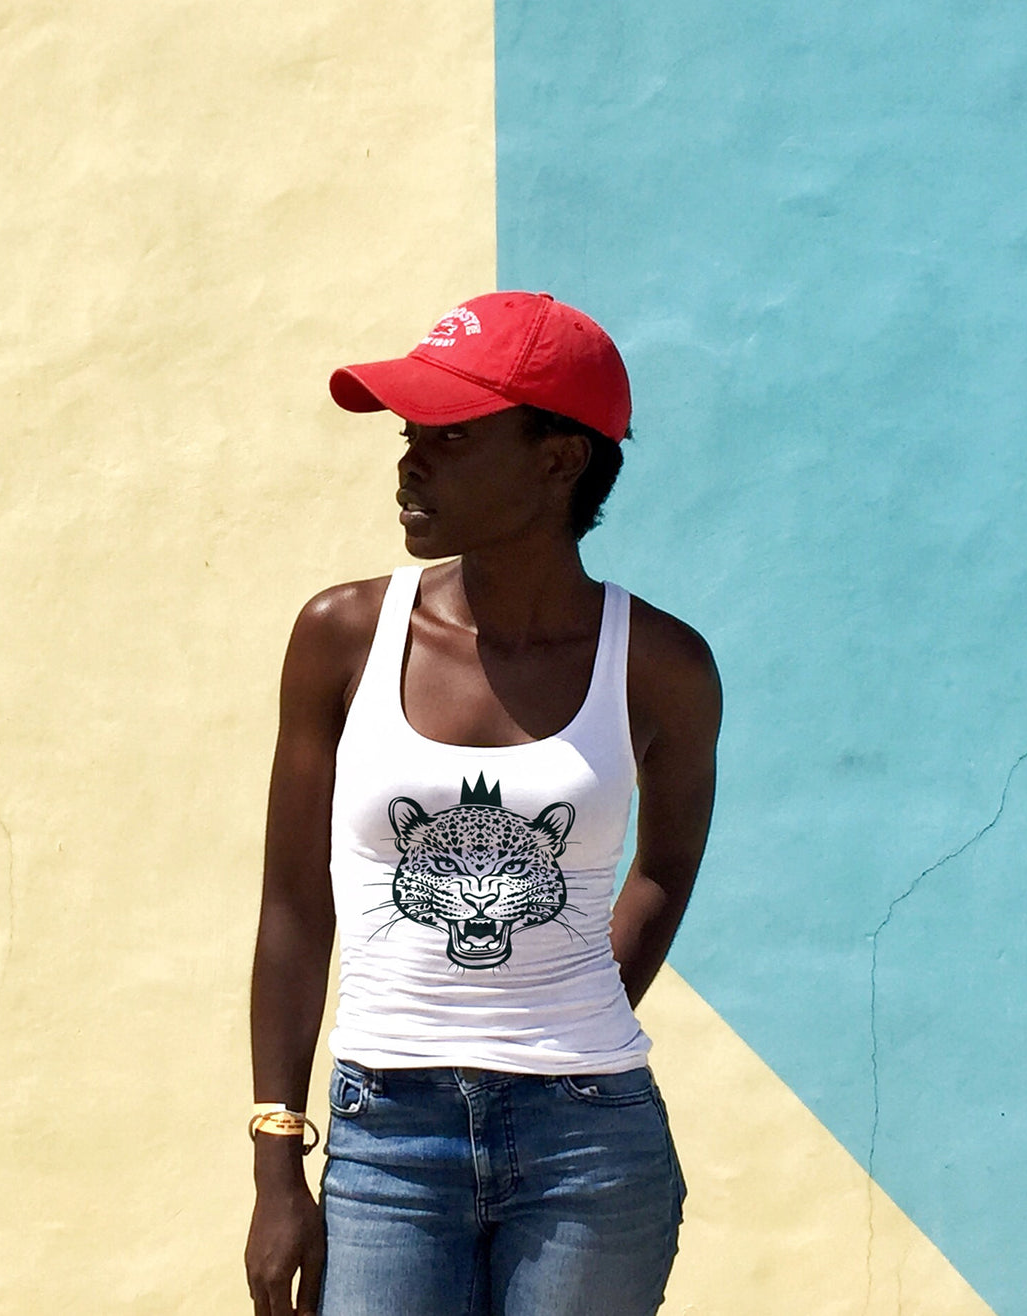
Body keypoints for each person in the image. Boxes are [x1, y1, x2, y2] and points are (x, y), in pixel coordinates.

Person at [244, 291, 722, 1316]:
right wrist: (276, 1157)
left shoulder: (661, 663)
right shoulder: (341, 635)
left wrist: (568, 1008)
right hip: (385, 1137)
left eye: (449, 438)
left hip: (590, 1147)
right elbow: (292, 906)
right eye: (410, 434)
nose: (408, 462)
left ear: (558, 462)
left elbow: (665, 868)